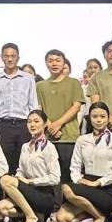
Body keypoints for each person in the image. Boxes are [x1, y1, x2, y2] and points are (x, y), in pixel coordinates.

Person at [58, 101, 112, 222]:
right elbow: (75, 166)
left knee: (66, 188)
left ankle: (99, 217)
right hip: (86, 185)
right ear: (89, 118)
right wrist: (78, 180)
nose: (98, 120)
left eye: (102, 116)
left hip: (107, 187)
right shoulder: (82, 140)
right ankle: (102, 216)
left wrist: (98, 182)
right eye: (94, 116)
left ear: (108, 118)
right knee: (62, 219)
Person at [0, 110, 61, 222]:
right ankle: (34, 215)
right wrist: (18, 177)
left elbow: (55, 178)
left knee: (5, 180)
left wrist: (31, 181)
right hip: (28, 191)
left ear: (45, 124)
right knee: (1, 207)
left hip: (43, 194)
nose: (32, 125)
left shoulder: (49, 148)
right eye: (29, 122)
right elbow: (21, 170)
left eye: (36, 121)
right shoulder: (25, 146)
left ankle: (32, 218)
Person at [0, 44, 39, 175]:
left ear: (18, 58)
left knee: (25, 162)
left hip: (23, 125)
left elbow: (33, 105)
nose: (9, 59)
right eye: (6, 56)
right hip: (4, 126)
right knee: (5, 164)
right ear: (2, 58)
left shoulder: (28, 78)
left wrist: (34, 128)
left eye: (13, 56)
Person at [36, 48, 85, 182]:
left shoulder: (74, 82)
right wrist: (50, 126)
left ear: (64, 63)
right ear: (46, 63)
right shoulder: (40, 85)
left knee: (69, 175)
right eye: (51, 61)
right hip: (48, 137)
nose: (54, 63)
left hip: (69, 137)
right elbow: (39, 109)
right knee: (50, 175)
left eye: (58, 60)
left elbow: (76, 106)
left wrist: (58, 124)